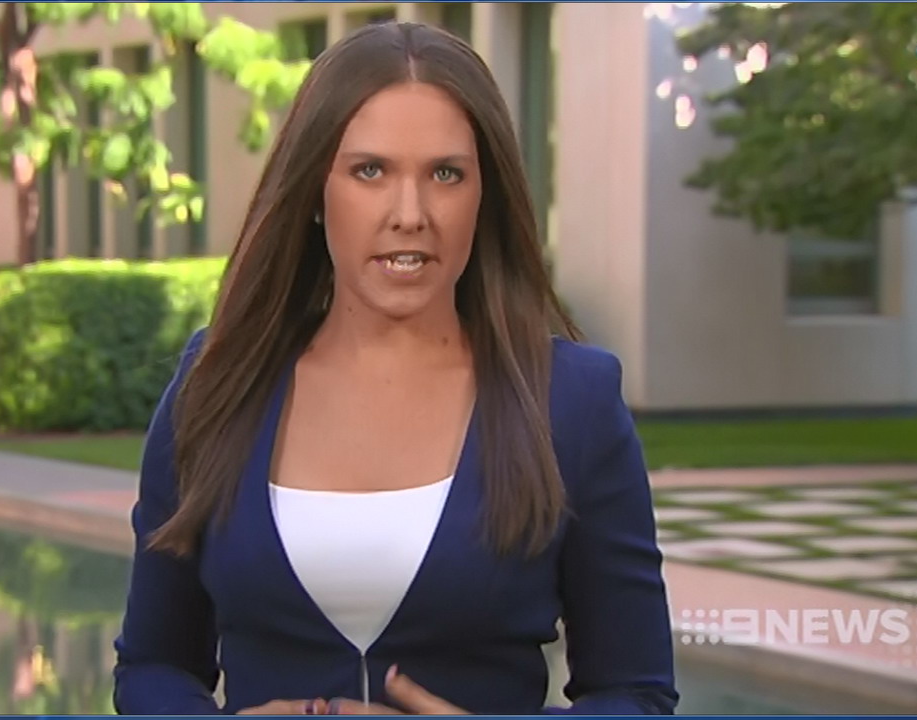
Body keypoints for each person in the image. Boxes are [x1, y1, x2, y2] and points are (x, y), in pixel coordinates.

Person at [112, 20, 677, 716]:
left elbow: (635, 692)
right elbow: (153, 665)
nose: (410, 214)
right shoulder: (217, 385)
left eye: (445, 174)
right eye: (370, 171)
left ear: (485, 196)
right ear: (314, 191)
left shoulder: (571, 402)